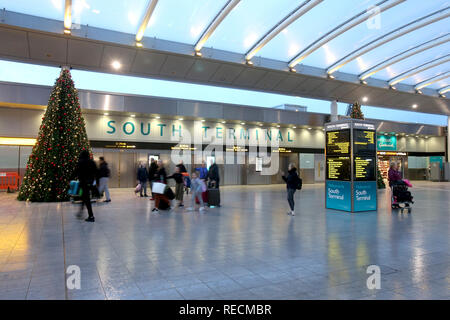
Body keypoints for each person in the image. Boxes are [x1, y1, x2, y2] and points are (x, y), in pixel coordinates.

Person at [75, 150, 98, 222]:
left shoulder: (80, 162)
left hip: (83, 183)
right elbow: (96, 171)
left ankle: (91, 216)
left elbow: (76, 172)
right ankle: (81, 212)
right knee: (84, 197)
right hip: (90, 183)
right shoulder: (92, 162)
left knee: (86, 198)